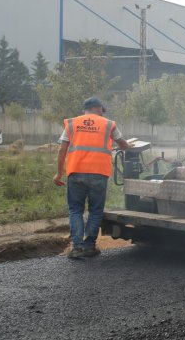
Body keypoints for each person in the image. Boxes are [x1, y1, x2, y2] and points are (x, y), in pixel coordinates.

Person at [54, 97, 131, 259]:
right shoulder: (109, 124)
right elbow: (123, 144)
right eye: (102, 110)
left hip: (76, 172)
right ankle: (89, 246)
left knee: (75, 210)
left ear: (84, 110)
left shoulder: (72, 123)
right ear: (99, 108)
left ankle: (76, 248)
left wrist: (59, 173)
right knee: (95, 210)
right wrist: (125, 146)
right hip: (99, 173)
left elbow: (62, 149)